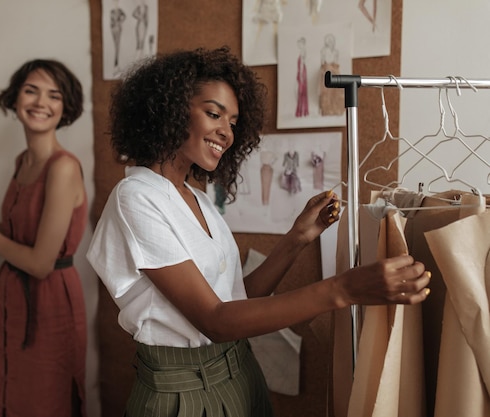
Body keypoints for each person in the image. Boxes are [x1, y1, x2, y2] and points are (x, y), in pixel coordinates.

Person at [86, 46, 432, 417]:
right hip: (183, 391)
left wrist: (297, 238)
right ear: (168, 109)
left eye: (233, 122)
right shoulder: (135, 197)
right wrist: (343, 289)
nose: (227, 132)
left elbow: (238, 303)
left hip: (238, 373)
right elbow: (216, 320)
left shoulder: (197, 200)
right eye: (213, 113)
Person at [0, 59, 88, 417]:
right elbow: (24, 232)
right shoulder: (23, 161)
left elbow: (41, 262)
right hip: (13, 295)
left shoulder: (63, 167)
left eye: (54, 95)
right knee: (12, 391)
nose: (40, 102)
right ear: (16, 99)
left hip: (50, 301)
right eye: (31, 90)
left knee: (45, 400)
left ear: (65, 108)